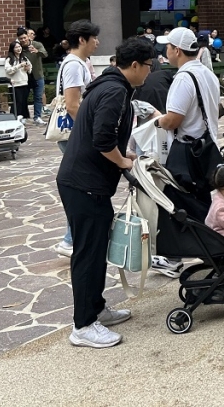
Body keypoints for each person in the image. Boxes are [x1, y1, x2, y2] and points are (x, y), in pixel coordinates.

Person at [57, 38, 154, 349]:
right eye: (149, 66)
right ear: (135, 65)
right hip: (83, 183)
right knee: (87, 253)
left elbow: (106, 134)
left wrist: (123, 153)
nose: (150, 72)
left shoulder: (110, 85)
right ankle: (83, 325)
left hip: (86, 182)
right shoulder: (114, 90)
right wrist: (124, 160)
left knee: (96, 249)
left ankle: (96, 309)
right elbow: (102, 140)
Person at [153, 28, 220, 219]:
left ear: (177, 50)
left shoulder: (183, 78)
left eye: (168, 46)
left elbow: (174, 119)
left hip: (189, 151)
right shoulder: (207, 73)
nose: (165, 50)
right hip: (207, 146)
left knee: (188, 203)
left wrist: (158, 121)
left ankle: (198, 243)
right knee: (203, 199)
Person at [52, 20, 100, 258]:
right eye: (94, 38)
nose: (97, 42)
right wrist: (91, 130)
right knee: (82, 187)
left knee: (83, 186)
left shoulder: (76, 62)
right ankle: (70, 239)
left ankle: (73, 237)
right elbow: (72, 104)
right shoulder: (73, 64)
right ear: (82, 39)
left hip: (74, 133)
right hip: (75, 133)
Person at [18, 29, 48, 125]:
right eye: (20, 39)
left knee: (38, 97)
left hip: (37, 74)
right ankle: (23, 116)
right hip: (24, 76)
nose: (23, 40)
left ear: (28, 37)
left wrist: (37, 51)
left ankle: (37, 117)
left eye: (24, 38)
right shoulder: (18, 47)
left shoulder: (37, 44)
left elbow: (45, 54)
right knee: (23, 98)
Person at [4, 41, 33, 122]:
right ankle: (15, 117)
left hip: (24, 82)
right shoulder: (10, 59)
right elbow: (9, 71)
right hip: (15, 84)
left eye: (19, 47)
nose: (18, 49)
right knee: (17, 102)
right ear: (12, 49)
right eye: (16, 47)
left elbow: (30, 68)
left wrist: (28, 69)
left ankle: (23, 117)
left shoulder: (24, 58)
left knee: (24, 102)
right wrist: (19, 66)